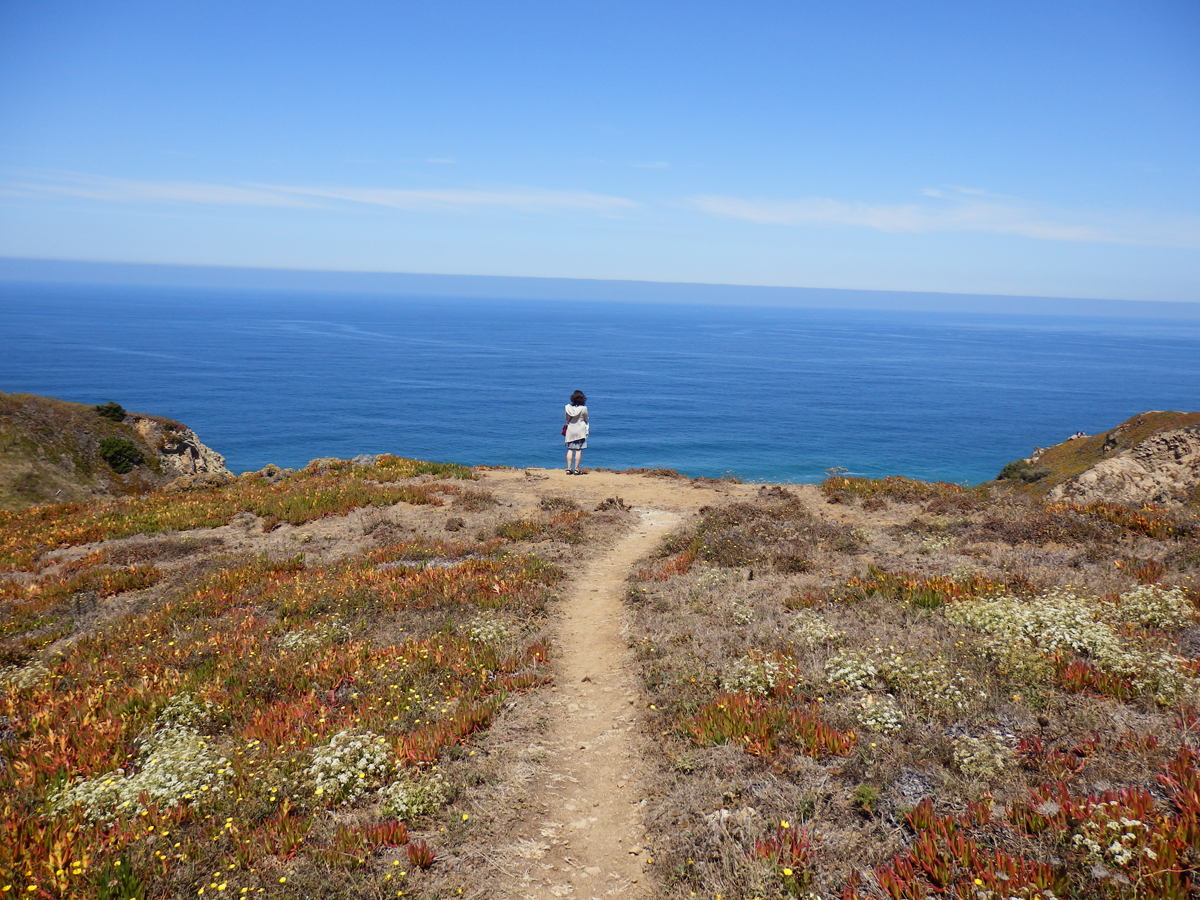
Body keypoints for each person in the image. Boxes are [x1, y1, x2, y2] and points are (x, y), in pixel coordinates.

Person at [564, 390, 589, 474]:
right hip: (580, 431)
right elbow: (586, 418)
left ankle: (568, 468)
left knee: (570, 449)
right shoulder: (583, 409)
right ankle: (576, 469)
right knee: (578, 450)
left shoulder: (567, 407)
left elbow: (567, 418)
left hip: (570, 431)